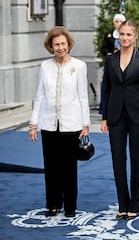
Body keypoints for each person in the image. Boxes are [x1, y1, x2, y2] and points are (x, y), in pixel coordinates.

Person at [29, 26, 91, 218]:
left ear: (69, 44)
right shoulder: (44, 66)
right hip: (48, 124)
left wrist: (86, 124)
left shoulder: (79, 66)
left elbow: (83, 97)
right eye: (56, 44)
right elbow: (39, 95)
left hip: (71, 124)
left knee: (69, 168)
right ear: (51, 46)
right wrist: (33, 124)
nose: (60, 47)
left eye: (63, 43)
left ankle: (70, 206)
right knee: (51, 167)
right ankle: (53, 204)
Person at [100, 20, 139, 221]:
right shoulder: (110, 60)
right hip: (115, 115)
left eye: (128, 35)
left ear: (135, 37)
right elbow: (106, 89)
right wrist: (104, 116)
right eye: (121, 34)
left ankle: (135, 204)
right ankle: (122, 204)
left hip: (138, 115)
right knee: (117, 160)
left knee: (137, 159)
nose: (124, 38)